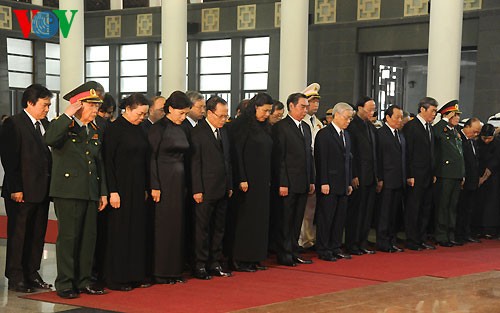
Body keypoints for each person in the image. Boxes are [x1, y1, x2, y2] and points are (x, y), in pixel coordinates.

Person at [45, 82, 108, 299]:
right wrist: (67, 115)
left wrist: (103, 192)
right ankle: (65, 282)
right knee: (69, 238)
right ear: (78, 106)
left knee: (88, 239)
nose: (95, 111)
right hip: (69, 191)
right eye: (91, 106)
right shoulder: (63, 125)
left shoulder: (94, 129)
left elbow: (98, 163)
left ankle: (83, 280)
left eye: (96, 107)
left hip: (90, 191)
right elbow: (50, 139)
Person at [0, 84, 53, 293]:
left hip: (41, 189)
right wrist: (16, 188)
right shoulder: (13, 123)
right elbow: (9, 159)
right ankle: (16, 276)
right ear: (30, 103)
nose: (47, 109)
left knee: (37, 234)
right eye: (45, 105)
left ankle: (32, 272)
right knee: (19, 235)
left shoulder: (45, 124)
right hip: (21, 190)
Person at [103, 93, 151, 291]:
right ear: (128, 109)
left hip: (138, 187)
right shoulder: (114, 129)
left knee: (137, 231)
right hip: (120, 188)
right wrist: (112, 191)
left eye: (145, 114)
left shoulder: (140, 129)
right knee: (120, 232)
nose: (143, 118)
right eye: (140, 113)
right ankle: (117, 277)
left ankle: (135, 274)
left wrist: (147, 186)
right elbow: (108, 162)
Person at [149, 91, 191, 284]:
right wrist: (155, 185)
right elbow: (152, 158)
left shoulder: (183, 128)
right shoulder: (159, 129)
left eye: (186, 114)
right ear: (171, 109)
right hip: (163, 180)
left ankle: (175, 270)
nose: (183, 117)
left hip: (179, 181)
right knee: (163, 226)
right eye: (181, 113)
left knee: (177, 226)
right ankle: (161, 271)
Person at [230, 93, 273, 271]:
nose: (267, 114)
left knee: (260, 219)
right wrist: (242, 178)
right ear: (256, 107)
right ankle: (241, 258)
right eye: (265, 110)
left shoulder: (265, 126)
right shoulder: (242, 125)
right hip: (247, 180)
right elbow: (237, 153)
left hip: (262, 179)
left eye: (269, 111)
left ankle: (255, 256)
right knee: (246, 219)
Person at [191, 95, 233, 280]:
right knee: (202, 229)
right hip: (205, 189)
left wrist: (229, 184)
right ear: (209, 113)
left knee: (219, 227)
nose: (224, 119)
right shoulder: (198, 132)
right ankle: (199, 264)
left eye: (226, 115)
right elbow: (195, 163)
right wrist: (197, 189)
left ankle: (215, 261)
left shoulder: (224, 131)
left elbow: (227, 160)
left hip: (222, 187)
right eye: (221, 115)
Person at [272, 93, 315, 266]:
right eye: (302, 106)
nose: (305, 110)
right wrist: (282, 183)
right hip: (288, 183)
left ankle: (294, 250)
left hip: (303, 182)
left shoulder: (305, 127)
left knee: (297, 219)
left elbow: (309, 156)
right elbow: (279, 158)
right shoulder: (281, 127)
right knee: (285, 219)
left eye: (306, 107)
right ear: (291, 106)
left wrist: (311, 179)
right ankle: (283, 253)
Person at [314, 102, 354, 261]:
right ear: (336, 115)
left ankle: (335, 246)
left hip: (343, 183)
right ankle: (323, 248)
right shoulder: (324, 134)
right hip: (328, 183)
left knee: (339, 218)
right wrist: (323, 181)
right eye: (346, 118)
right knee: (326, 218)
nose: (348, 121)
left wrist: (349, 182)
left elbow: (348, 161)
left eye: (350, 118)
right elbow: (321, 159)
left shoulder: (347, 135)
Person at [402, 97, 438, 251]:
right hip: (415, 175)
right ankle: (411, 239)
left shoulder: (429, 127)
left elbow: (431, 153)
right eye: (433, 111)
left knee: (425, 208)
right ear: (422, 109)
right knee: (414, 208)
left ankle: (421, 238)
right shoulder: (411, 127)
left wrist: (433, 171)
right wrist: (409, 175)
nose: (435, 114)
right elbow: (407, 153)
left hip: (428, 175)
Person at [345, 96, 377, 256]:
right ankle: (352, 243)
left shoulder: (370, 127)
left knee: (367, 212)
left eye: (374, 109)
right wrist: (354, 174)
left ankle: (362, 242)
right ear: (360, 108)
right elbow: (351, 153)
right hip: (359, 176)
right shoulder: (352, 126)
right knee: (356, 213)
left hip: (371, 176)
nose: (372, 112)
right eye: (370, 109)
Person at [432, 100, 465, 247]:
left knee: (453, 206)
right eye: (455, 115)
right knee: (443, 206)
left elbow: (459, 154)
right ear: (448, 115)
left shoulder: (454, 131)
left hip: (456, 174)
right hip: (445, 173)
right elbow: (436, 133)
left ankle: (450, 234)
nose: (458, 118)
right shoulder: (441, 128)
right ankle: (441, 235)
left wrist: (462, 173)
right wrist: (444, 118)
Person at [375, 105, 406, 253]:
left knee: (394, 212)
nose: (400, 120)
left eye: (401, 117)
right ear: (387, 117)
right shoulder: (380, 133)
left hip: (398, 179)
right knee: (384, 212)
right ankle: (382, 241)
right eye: (397, 117)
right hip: (386, 179)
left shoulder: (400, 134)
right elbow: (378, 157)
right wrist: (380, 178)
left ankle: (391, 239)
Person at [299, 83, 323, 250]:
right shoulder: (302, 123)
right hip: (304, 167)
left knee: (312, 208)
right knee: (303, 208)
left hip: (316, 167)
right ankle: (301, 240)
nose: (315, 105)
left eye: (316, 102)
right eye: (312, 101)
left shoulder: (318, 122)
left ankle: (310, 239)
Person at [455, 117, 482, 244]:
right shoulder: (458, 138)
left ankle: (466, 232)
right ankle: (458, 234)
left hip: (473, 180)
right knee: (460, 208)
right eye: (475, 131)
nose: (476, 134)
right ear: (467, 127)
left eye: (478, 132)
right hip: (462, 180)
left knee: (469, 208)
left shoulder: (473, 141)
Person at [473, 124, 500, 238]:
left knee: (492, 203)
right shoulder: (477, 143)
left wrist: (483, 178)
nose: (487, 141)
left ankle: (490, 228)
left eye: (489, 138)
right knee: (478, 202)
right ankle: (476, 227)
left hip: (493, 178)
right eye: (484, 138)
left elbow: (494, 162)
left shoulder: (497, 144)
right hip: (477, 176)